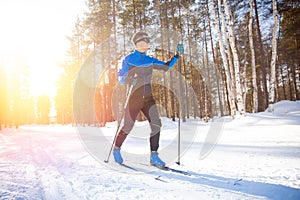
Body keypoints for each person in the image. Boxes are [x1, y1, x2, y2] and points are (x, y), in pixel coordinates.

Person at [113, 31, 181, 168]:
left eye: (148, 41)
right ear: (138, 43)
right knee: (128, 126)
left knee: (156, 124)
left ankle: (154, 156)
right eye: (146, 41)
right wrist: (128, 78)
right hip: (134, 97)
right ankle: (116, 148)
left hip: (148, 97)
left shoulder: (150, 60)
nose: (148, 44)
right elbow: (120, 77)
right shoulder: (129, 59)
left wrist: (177, 56)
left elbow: (166, 67)